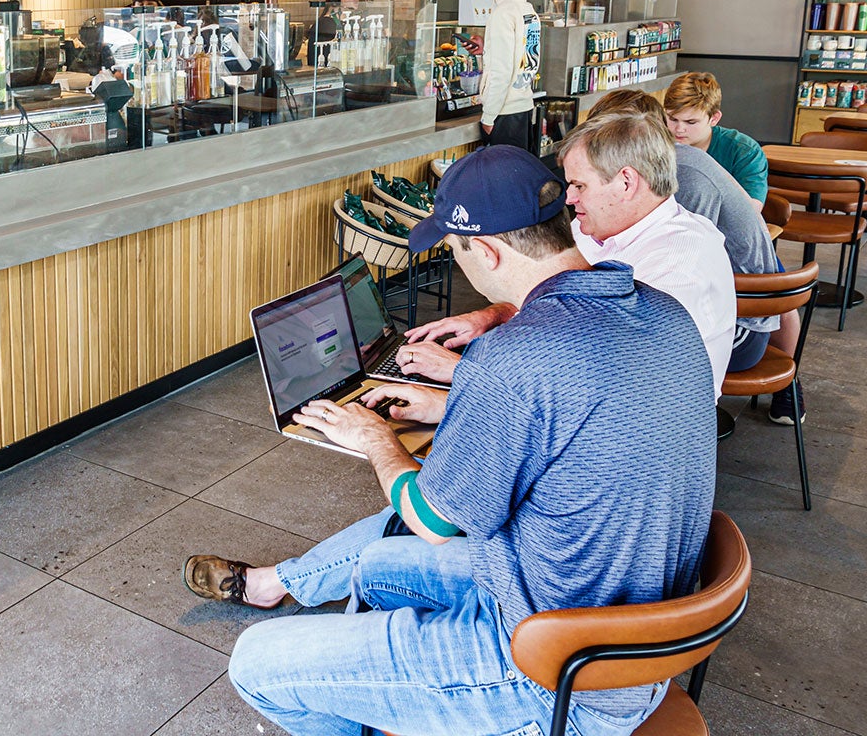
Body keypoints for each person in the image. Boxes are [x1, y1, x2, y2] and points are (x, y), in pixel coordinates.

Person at [187, 146, 716, 736]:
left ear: (486, 250)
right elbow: (576, 412)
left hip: (558, 672)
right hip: (631, 636)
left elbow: (430, 518)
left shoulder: (518, 356)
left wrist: (376, 438)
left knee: (256, 663)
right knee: (375, 564)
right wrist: (465, 395)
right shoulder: (663, 312)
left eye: (457, 249)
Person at [409, 112, 736, 398]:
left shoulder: (678, 267)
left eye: (580, 185)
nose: (569, 198)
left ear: (626, 182)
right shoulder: (598, 226)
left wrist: (466, 375)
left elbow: (602, 390)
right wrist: (496, 313)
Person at [589, 89, 804, 426]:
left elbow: (670, 278)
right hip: (739, 299)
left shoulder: (684, 177)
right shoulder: (665, 165)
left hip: (745, 321)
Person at [663, 71, 768, 211]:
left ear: (714, 118)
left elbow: (751, 211)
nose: (679, 129)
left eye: (691, 122)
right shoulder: (657, 144)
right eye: (673, 119)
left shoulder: (744, 150)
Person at [477, 0, 541, 151]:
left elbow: (501, 72)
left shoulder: (502, 14)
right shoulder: (528, 11)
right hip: (523, 108)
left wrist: (488, 116)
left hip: (503, 115)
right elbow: (525, 58)